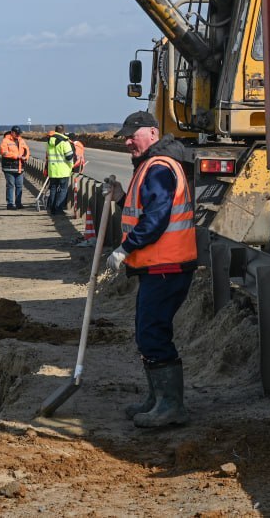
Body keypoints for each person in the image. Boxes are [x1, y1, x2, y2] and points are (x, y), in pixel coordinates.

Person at [105, 110, 196, 428]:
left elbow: (156, 219)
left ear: (154, 133)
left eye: (133, 134)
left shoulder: (158, 168)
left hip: (167, 266)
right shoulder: (154, 165)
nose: (128, 141)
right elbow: (144, 208)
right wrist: (120, 198)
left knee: (152, 333)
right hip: (159, 266)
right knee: (148, 332)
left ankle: (171, 406)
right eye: (126, 136)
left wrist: (124, 248)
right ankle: (157, 399)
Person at [44, 125, 76, 215]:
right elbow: (69, 156)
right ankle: (58, 209)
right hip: (63, 170)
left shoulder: (49, 141)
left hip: (52, 170)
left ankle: (52, 209)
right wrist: (71, 166)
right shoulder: (65, 142)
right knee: (63, 190)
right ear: (63, 131)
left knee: (53, 189)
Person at [0, 125, 30, 210]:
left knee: (19, 185)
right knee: (11, 185)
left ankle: (18, 203)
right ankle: (10, 204)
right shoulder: (5, 140)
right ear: (12, 132)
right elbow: (4, 152)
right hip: (9, 167)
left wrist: (25, 157)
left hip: (20, 167)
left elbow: (27, 150)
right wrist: (17, 156)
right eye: (17, 133)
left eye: (19, 133)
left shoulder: (21, 140)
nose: (18, 135)